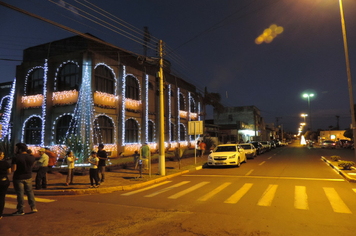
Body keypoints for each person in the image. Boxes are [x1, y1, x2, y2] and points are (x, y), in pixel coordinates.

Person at [12, 143, 37, 215]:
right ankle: (33, 207)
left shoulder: (16, 157)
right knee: (30, 192)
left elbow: (14, 169)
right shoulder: (31, 157)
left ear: (20, 149)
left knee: (20, 194)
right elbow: (33, 166)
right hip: (28, 176)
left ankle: (20, 210)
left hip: (18, 177)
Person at [0, 151, 11, 219]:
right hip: (3, 181)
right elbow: (9, 172)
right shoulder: (5, 163)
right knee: (1, 197)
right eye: (2, 154)